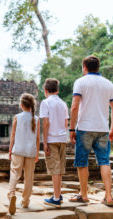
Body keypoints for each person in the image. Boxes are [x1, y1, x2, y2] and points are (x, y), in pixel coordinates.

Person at [69, 55, 113, 207]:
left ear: (85, 67)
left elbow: (75, 106)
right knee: (104, 161)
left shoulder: (80, 82)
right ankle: (109, 197)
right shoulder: (108, 84)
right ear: (98, 67)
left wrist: (72, 128)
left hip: (84, 127)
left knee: (82, 162)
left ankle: (83, 195)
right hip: (103, 129)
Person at [8, 93, 40, 215]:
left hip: (18, 150)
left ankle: (11, 195)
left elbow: (13, 135)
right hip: (30, 151)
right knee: (29, 177)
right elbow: (37, 139)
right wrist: (37, 153)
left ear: (21, 105)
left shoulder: (17, 117)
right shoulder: (36, 119)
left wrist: (10, 150)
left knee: (15, 173)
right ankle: (25, 201)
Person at [40, 78, 69, 207]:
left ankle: (56, 198)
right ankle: (58, 194)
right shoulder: (63, 103)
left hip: (52, 139)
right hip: (62, 138)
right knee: (60, 168)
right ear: (57, 90)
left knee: (55, 169)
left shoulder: (45, 103)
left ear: (45, 90)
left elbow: (46, 123)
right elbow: (66, 123)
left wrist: (44, 142)